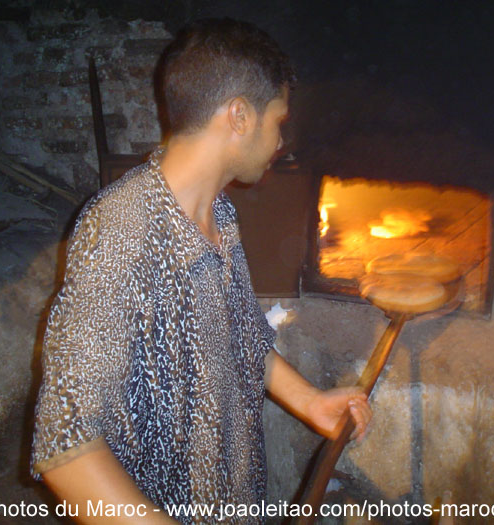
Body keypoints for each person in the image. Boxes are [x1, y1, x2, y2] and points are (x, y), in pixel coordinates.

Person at [31, 18, 371, 524]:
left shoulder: (220, 214)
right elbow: (66, 443)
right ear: (239, 116)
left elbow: (242, 335)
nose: (280, 139)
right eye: (277, 120)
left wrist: (311, 400)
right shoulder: (123, 229)